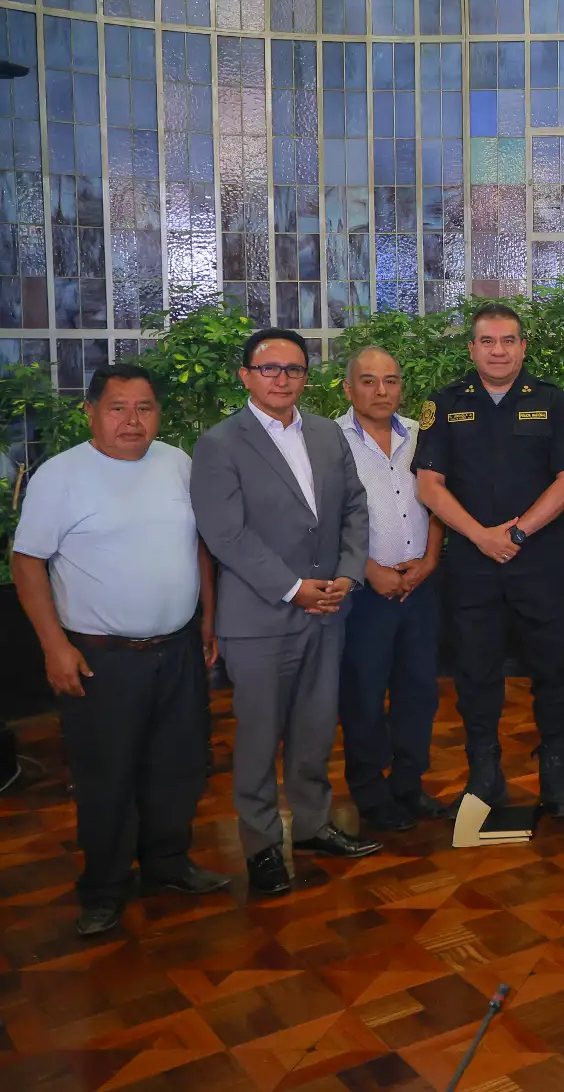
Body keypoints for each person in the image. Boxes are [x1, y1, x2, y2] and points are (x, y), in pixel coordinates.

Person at [12, 364, 227, 936]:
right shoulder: (60, 476)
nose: (132, 421)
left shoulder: (177, 464)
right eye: (118, 408)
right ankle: (104, 887)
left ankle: (167, 864)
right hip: (100, 657)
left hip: (178, 647)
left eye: (144, 408)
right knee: (107, 776)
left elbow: (199, 548)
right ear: (90, 411)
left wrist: (207, 619)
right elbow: (27, 564)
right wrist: (54, 646)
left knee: (178, 767)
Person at [192, 328, 380, 898]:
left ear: (306, 377)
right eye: (269, 368)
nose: (282, 378)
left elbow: (354, 505)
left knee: (315, 727)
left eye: (293, 369)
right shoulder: (220, 444)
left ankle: (315, 824)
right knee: (258, 738)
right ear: (246, 375)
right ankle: (263, 846)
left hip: (329, 607)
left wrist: (348, 574)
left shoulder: (326, 434)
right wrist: (293, 587)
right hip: (260, 617)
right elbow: (225, 534)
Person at [414, 304, 564, 816]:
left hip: (541, 564)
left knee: (555, 667)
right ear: (472, 348)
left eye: (508, 340)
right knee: (475, 669)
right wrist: (481, 537)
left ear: (522, 347)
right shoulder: (444, 404)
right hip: (472, 566)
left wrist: (514, 532)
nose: (497, 350)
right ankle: (484, 773)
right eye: (487, 341)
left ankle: (555, 774)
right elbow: (429, 484)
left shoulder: (553, 401)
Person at [335, 346, 448, 834]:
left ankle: (408, 784)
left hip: (420, 587)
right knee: (362, 694)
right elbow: (321, 520)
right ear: (348, 387)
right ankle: (370, 791)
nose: (380, 391)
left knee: (418, 692)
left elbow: (441, 504)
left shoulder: (422, 437)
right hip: (364, 591)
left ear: (401, 386)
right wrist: (366, 569)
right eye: (368, 381)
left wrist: (429, 561)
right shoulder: (328, 442)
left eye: (390, 380)